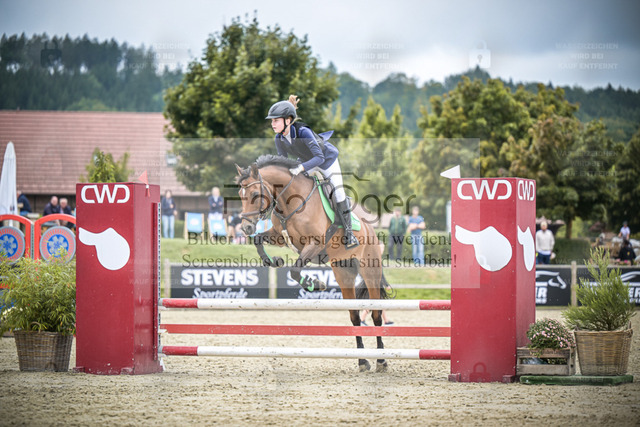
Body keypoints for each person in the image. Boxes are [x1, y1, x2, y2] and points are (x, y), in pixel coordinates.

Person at [266, 94, 358, 249]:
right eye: (272, 121)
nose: (272, 124)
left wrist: (300, 168)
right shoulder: (279, 139)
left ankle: (350, 234)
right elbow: (284, 161)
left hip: (326, 160)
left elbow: (319, 157)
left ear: (287, 120)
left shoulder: (303, 132)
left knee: (338, 193)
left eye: (276, 120)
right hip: (307, 162)